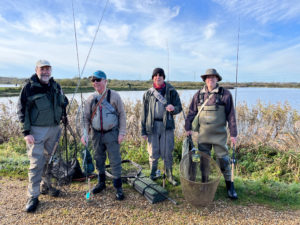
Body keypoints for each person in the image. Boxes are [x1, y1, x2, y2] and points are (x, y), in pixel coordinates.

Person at [17, 59, 69, 212]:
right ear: (36, 70)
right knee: (36, 163)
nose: (45, 72)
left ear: (50, 71)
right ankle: (33, 195)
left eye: (48, 69)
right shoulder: (29, 87)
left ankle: (46, 185)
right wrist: (26, 133)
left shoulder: (56, 86)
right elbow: (21, 110)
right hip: (36, 131)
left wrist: (64, 110)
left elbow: (62, 103)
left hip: (54, 129)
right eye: (42, 69)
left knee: (50, 160)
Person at [185, 68, 238, 199]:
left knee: (224, 160)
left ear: (217, 79)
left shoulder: (225, 94)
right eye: (208, 78)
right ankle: (205, 184)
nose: (211, 80)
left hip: (219, 135)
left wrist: (233, 134)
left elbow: (231, 115)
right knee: (204, 161)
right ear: (205, 80)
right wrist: (187, 128)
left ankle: (230, 186)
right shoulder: (198, 95)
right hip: (203, 135)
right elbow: (191, 112)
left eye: (213, 77)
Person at [80, 70, 126, 200]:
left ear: (105, 81)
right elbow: (85, 118)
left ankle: (118, 187)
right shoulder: (90, 99)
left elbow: (122, 115)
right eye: (93, 80)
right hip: (96, 134)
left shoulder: (115, 96)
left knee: (115, 160)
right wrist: (85, 134)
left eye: (98, 80)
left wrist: (121, 133)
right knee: (98, 159)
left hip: (112, 134)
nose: (95, 82)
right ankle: (101, 183)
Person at [141, 68, 182, 186]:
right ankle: (153, 174)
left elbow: (179, 107)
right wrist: (143, 131)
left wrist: (174, 109)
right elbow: (143, 113)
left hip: (167, 127)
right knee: (153, 153)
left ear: (163, 77)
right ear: (153, 77)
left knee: (167, 152)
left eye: (160, 75)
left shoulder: (171, 91)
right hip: (152, 127)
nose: (158, 77)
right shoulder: (147, 94)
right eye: (155, 75)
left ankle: (169, 176)